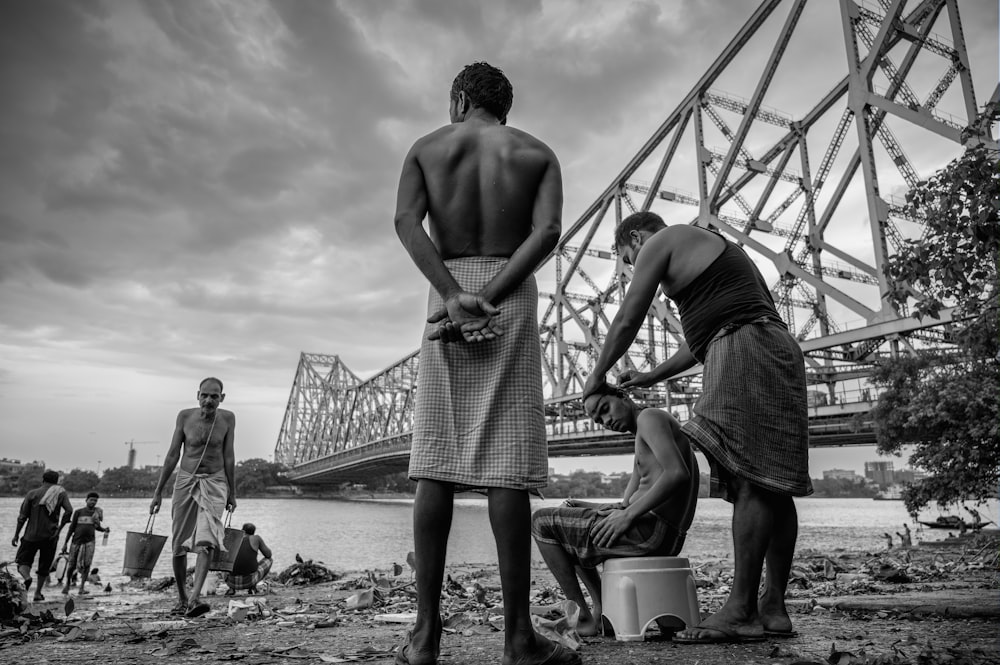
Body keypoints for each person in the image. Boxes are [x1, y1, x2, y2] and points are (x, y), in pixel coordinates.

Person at [393, 62, 572, 665]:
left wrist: (451, 294)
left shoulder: (425, 148)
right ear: (503, 107)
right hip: (508, 292)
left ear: (459, 98)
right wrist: (490, 294)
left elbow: (404, 222)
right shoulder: (537, 151)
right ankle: (519, 638)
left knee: (435, 459)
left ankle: (424, 636)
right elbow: (547, 231)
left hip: (447, 290)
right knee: (508, 463)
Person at [582, 211, 811, 644]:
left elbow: (627, 317)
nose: (636, 266)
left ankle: (741, 609)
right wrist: (652, 377)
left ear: (635, 237)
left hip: (742, 348)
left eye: (629, 259)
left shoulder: (661, 241)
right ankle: (772, 608)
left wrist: (597, 374)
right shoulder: (718, 254)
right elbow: (696, 342)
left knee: (750, 482)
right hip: (775, 346)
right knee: (774, 485)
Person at [531, 385, 698, 637]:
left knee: (541, 521)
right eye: (599, 420)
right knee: (568, 528)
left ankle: (585, 617)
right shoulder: (645, 432)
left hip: (650, 532)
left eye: (606, 409)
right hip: (662, 533)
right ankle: (603, 610)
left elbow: (677, 473)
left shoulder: (649, 417)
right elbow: (626, 504)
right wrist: (592, 508)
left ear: (623, 396)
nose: (607, 421)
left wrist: (628, 516)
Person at [149, 377, 236, 618]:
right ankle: (182, 597)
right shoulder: (184, 417)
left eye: (214, 396)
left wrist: (232, 492)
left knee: (206, 541)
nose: (209, 400)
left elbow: (229, 456)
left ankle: (196, 598)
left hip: (215, 482)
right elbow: (172, 455)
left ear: (222, 398)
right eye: (205, 395)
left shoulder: (228, 419)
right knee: (179, 543)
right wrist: (157, 493)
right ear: (198, 395)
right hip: (186, 480)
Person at [11, 469, 73, 601]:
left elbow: (22, 517)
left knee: (22, 561)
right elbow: (69, 510)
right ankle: (38, 593)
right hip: (50, 536)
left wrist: (16, 534)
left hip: (30, 536)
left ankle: (27, 578)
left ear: (43, 480)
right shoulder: (60, 493)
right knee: (44, 565)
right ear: (57, 482)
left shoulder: (32, 494)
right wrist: (60, 528)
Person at [60, 492, 109, 595]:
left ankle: (81, 587)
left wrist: (104, 529)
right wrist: (65, 543)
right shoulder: (78, 512)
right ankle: (67, 584)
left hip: (89, 542)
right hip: (76, 541)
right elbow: (71, 528)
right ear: (86, 500)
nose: (93, 502)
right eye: (91, 500)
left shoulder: (96, 513)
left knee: (87, 565)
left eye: (95, 500)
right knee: (71, 565)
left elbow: (97, 527)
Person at [223, 523, 272, 595]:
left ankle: (231, 589)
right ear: (253, 532)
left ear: (242, 530)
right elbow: (268, 555)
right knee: (269, 560)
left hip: (232, 582)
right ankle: (252, 587)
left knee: (225, 561)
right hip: (249, 581)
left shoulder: (234, 538)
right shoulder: (256, 538)